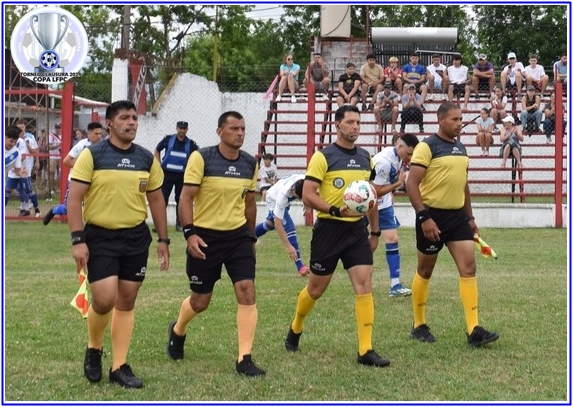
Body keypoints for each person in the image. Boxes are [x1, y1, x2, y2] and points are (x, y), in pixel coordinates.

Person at [68, 100, 170, 389]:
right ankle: (94, 348)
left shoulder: (146, 158)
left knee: (126, 299)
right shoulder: (92, 155)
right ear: (110, 124)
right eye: (125, 118)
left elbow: (156, 200)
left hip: (135, 237)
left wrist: (163, 239)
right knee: (103, 298)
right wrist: (78, 240)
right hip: (100, 236)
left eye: (135, 118)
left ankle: (119, 366)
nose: (132, 123)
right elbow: (74, 199)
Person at [283, 105, 390, 368]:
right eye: (350, 122)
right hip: (329, 229)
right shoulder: (323, 156)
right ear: (337, 125)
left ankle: (365, 350)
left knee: (364, 285)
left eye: (358, 122)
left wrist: (374, 231)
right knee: (316, 289)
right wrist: (334, 210)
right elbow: (308, 193)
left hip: (356, 231)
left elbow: (371, 196)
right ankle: (296, 326)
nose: (355, 127)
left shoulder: (367, 158)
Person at [166, 111, 266, 377]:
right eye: (234, 128)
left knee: (246, 290)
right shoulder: (202, 157)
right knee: (200, 301)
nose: (240, 133)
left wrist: (251, 237)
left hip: (237, 238)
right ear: (219, 131)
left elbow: (249, 203)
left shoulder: (249, 163)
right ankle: (178, 329)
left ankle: (244, 358)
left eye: (243, 129)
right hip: (205, 237)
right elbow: (186, 198)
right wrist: (190, 234)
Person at [406, 102, 499, 347]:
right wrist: (424, 217)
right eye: (455, 119)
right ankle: (418, 324)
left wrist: (470, 218)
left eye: (460, 119)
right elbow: (411, 184)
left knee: (469, 267)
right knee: (425, 271)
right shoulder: (426, 147)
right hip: (432, 216)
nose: (459, 123)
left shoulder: (461, 147)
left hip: (457, 217)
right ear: (441, 120)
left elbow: (464, 184)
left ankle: (473, 329)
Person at [371, 133, 419, 297]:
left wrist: (390, 192)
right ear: (400, 147)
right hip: (368, 204)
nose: (410, 157)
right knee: (364, 243)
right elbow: (375, 191)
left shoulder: (398, 157)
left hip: (383, 204)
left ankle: (395, 284)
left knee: (392, 239)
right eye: (409, 153)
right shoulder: (383, 162)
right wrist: (398, 184)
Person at [43, 122, 104, 225]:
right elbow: (67, 160)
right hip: (76, 179)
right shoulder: (82, 145)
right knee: (69, 208)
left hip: (93, 180)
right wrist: (83, 168)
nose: (99, 136)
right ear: (88, 134)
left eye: (100, 134)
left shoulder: (103, 146)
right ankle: (54, 211)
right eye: (96, 134)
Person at [255, 174, 309, 277]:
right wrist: (288, 246)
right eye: (298, 198)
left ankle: (249, 237)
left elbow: (308, 191)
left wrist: (306, 204)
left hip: (279, 191)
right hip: (272, 199)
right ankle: (300, 267)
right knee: (289, 227)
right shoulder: (283, 196)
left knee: (270, 224)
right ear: (293, 191)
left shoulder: (305, 179)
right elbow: (278, 224)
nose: (299, 199)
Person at [153, 121, 199, 231]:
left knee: (181, 200)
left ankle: (179, 224)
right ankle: (159, 225)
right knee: (163, 199)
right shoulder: (168, 139)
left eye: (184, 129)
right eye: (180, 128)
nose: (182, 131)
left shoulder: (191, 144)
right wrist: (158, 165)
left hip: (182, 176)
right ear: (176, 128)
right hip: (166, 174)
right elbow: (157, 150)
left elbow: (197, 156)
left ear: (187, 130)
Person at [15, 119, 41, 217]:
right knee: (19, 187)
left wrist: (37, 161)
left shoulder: (30, 137)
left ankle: (29, 207)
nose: (21, 129)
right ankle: (24, 205)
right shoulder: (14, 137)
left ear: (25, 127)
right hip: (16, 166)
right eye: (19, 127)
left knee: (26, 187)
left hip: (27, 166)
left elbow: (35, 150)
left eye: (22, 127)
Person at [4, 127, 22, 200]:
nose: (13, 144)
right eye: (11, 141)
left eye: (15, 142)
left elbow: (17, 170)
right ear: (4, 137)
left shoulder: (16, 153)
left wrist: (21, 172)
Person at [47, 123, 62, 194]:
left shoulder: (63, 136)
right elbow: (49, 146)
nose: (57, 129)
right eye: (56, 127)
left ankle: (59, 188)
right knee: (52, 173)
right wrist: (58, 145)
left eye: (59, 127)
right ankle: (51, 189)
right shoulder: (51, 135)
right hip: (53, 156)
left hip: (61, 156)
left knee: (60, 173)